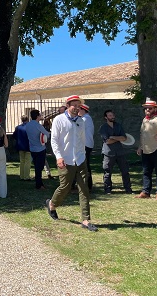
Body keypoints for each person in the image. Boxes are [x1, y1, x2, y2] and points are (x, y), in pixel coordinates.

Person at [45, 95, 97, 232]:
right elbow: (54, 140)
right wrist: (58, 157)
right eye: (74, 105)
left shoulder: (81, 121)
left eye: (78, 106)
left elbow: (81, 140)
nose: (76, 108)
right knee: (65, 187)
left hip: (80, 159)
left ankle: (86, 220)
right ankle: (52, 204)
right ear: (68, 105)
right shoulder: (59, 120)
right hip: (65, 159)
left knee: (84, 188)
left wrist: (83, 156)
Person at [99, 110, 132, 194]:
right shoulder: (103, 127)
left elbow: (124, 138)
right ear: (106, 117)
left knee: (125, 171)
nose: (112, 117)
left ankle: (128, 189)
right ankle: (107, 189)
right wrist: (118, 138)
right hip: (108, 152)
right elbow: (107, 141)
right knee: (107, 172)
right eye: (110, 115)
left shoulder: (118, 126)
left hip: (120, 152)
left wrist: (113, 137)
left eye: (113, 115)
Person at [26, 110, 50, 190]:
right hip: (40, 148)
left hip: (32, 148)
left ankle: (38, 183)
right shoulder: (38, 126)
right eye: (39, 115)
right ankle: (39, 184)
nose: (40, 117)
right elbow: (47, 135)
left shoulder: (28, 125)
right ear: (37, 116)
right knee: (39, 168)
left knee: (36, 166)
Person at [78, 104, 95, 189]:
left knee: (85, 165)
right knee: (86, 164)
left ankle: (87, 185)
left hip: (85, 145)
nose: (77, 112)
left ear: (83, 110)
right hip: (87, 144)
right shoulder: (87, 118)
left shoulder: (84, 119)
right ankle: (88, 185)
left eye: (79, 110)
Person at [12, 115, 31, 181]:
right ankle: (26, 176)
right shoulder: (29, 127)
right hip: (28, 146)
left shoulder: (18, 127)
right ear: (27, 119)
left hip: (20, 146)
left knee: (22, 161)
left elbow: (14, 136)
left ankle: (22, 176)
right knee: (27, 162)